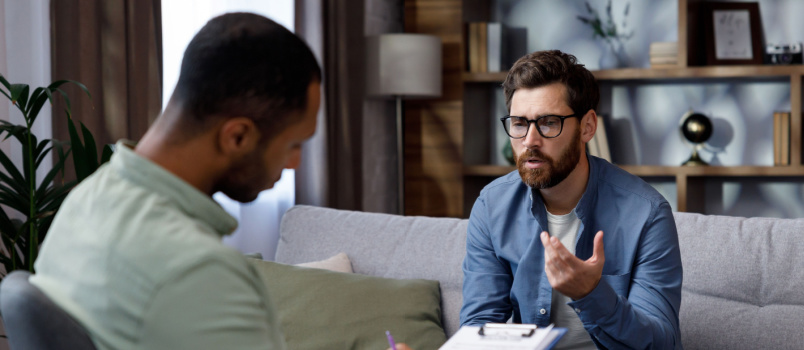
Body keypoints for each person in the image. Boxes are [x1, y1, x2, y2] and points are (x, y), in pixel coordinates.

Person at [30, 12, 413, 350]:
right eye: (293, 145)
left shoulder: (85, 201)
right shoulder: (198, 271)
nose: (295, 164)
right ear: (238, 136)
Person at [459, 50, 683, 349]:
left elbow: (661, 342)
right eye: (519, 123)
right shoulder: (492, 206)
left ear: (587, 127)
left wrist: (591, 293)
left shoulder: (647, 213)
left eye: (549, 123)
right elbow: (479, 326)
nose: (530, 141)